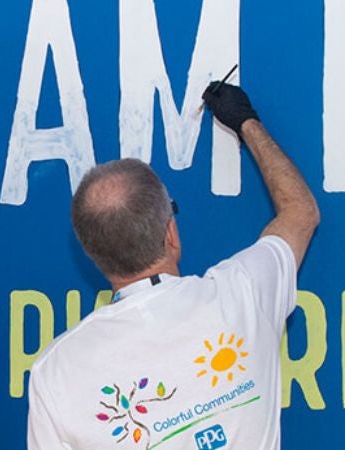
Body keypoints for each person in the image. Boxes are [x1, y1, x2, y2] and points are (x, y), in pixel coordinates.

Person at [27, 83, 319, 450]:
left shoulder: (55, 372)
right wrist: (247, 122)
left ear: (92, 254)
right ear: (171, 233)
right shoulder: (242, 294)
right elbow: (300, 213)